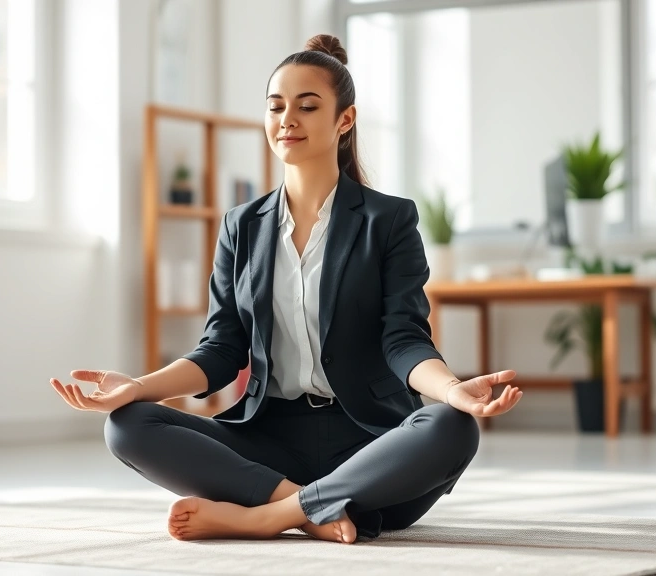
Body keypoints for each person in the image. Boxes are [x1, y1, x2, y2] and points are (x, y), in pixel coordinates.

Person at [50, 34, 522, 545]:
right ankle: (305, 507)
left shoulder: (388, 220)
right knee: (126, 425)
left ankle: (264, 517)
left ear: (345, 120)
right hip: (267, 442)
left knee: (452, 426)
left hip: (370, 448)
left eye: (307, 106)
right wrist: (138, 387)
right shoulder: (240, 226)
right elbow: (221, 350)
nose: (286, 120)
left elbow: (403, 339)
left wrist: (452, 390)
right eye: (276, 107)